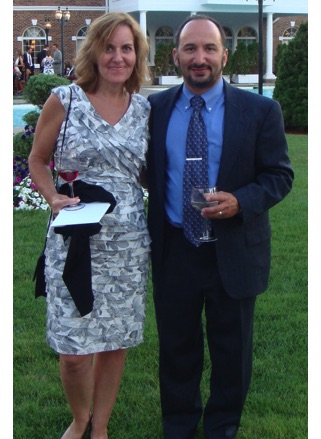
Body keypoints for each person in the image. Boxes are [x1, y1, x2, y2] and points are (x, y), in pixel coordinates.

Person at [147, 14, 294, 439]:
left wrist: (240, 201)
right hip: (175, 248)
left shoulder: (260, 110)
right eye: (190, 49)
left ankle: (223, 426)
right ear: (174, 56)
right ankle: (178, 425)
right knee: (177, 348)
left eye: (209, 48)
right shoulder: (155, 109)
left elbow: (279, 175)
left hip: (234, 249)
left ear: (224, 55)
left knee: (232, 350)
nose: (200, 58)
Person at [28, 11, 151, 439]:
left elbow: (151, 173)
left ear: (137, 55)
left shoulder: (144, 109)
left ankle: (99, 426)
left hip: (127, 242)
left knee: (114, 342)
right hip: (75, 237)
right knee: (74, 351)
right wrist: (52, 195)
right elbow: (38, 160)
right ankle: (79, 418)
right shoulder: (65, 99)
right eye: (109, 47)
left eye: (127, 48)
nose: (118, 57)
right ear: (93, 51)